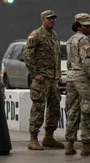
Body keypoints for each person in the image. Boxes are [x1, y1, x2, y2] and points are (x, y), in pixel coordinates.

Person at [23, 10, 64, 150]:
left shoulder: (54, 36)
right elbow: (27, 55)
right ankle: (33, 139)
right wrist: (35, 74)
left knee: (54, 108)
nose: (52, 21)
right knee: (38, 108)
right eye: (49, 19)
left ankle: (49, 137)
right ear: (43, 20)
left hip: (52, 80)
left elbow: (57, 56)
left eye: (54, 19)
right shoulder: (36, 35)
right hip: (41, 80)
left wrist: (58, 74)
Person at [64, 13, 90, 156]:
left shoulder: (70, 40)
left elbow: (69, 61)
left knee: (73, 111)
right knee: (88, 110)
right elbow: (87, 61)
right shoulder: (84, 40)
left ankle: (69, 144)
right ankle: (86, 145)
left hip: (71, 78)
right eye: (86, 25)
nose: (89, 27)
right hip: (83, 79)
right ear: (80, 26)